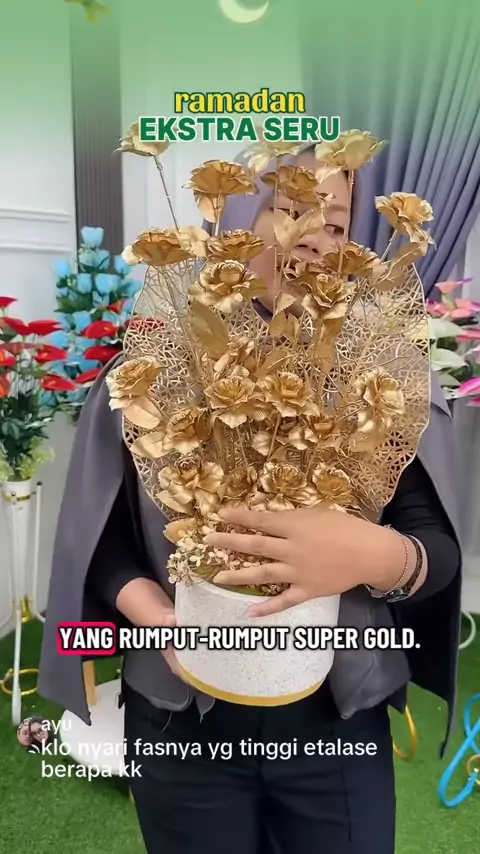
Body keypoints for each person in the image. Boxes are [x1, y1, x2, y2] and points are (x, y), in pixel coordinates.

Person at [39, 148, 462, 854]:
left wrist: (376, 556)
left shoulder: (379, 376)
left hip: (335, 720)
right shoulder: (154, 367)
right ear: (231, 220)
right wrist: (162, 621)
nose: (315, 240)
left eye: (336, 224)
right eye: (291, 210)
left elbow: (434, 547)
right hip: (181, 718)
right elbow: (102, 542)